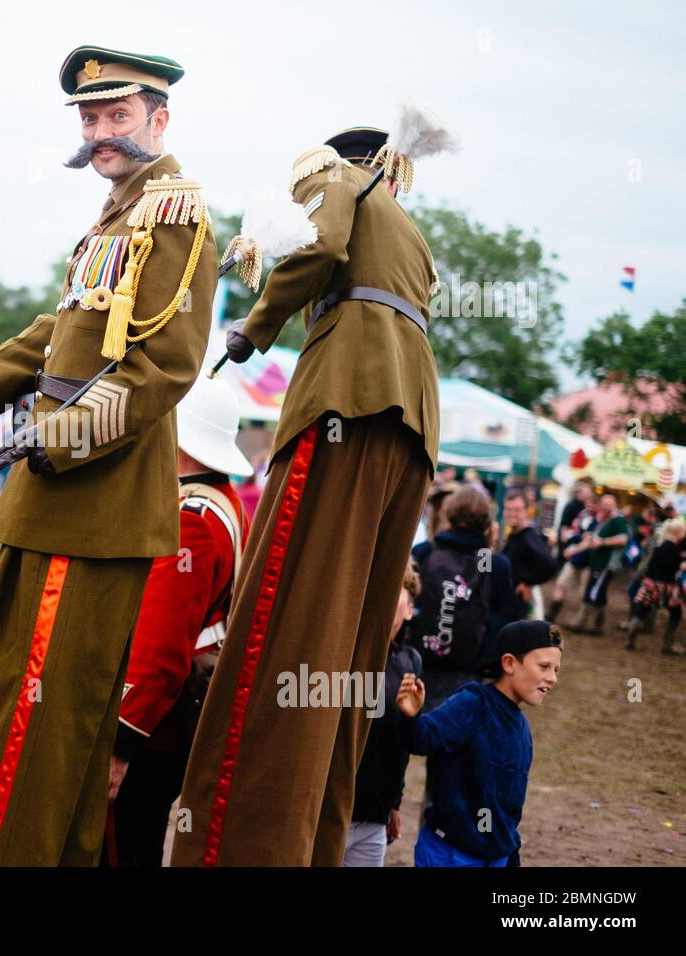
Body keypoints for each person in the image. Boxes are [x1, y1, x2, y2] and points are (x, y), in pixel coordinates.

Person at [0, 45, 216, 867]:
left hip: (90, 503)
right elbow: (63, 329)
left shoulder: (174, 215)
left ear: (161, 117)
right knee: (5, 699)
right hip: (57, 500)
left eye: (117, 115)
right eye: (89, 117)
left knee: (33, 722)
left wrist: (60, 436)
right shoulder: (118, 213)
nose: (99, 131)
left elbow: (165, 367)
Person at [176, 122, 442, 867]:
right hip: (411, 425)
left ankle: (249, 844)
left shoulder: (335, 180)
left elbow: (318, 248)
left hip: (346, 408)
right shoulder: (409, 228)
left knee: (287, 626)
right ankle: (318, 843)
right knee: (354, 650)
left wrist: (254, 327)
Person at [103, 373, 251, 867]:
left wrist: (121, 741)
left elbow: (161, 647)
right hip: (170, 718)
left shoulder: (191, 517)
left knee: (123, 847)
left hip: (154, 726)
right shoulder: (221, 503)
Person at [395, 619, 563, 867]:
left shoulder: (522, 729)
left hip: (496, 859)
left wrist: (509, 855)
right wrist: (412, 716)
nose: (552, 678)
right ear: (509, 663)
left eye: (556, 670)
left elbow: (508, 806)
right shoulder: (473, 703)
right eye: (544, 666)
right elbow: (422, 739)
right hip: (450, 856)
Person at [343, 562, 423, 867]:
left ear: (410, 609)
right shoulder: (346, 653)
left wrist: (394, 803)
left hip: (374, 817)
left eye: (398, 591)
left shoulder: (410, 662)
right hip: (333, 814)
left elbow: (399, 743)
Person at [409, 486, 514, 709]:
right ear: (487, 523)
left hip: (417, 663)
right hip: (466, 670)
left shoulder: (427, 551)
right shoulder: (490, 562)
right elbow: (503, 617)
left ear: (449, 515)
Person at [569, 493, 630, 634]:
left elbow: (623, 539)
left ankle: (582, 622)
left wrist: (602, 542)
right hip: (597, 563)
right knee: (598, 592)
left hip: (606, 565)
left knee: (594, 592)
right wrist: (574, 550)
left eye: (609, 504)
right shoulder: (602, 520)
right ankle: (597, 625)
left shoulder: (617, 520)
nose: (606, 507)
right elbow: (590, 540)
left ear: (614, 505)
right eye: (604, 504)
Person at [625, 517, 685, 654]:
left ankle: (630, 638)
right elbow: (670, 566)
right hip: (665, 586)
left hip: (650, 583)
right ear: (679, 533)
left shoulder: (660, 546)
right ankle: (667, 645)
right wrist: (681, 565)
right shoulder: (673, 549)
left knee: (641, 611)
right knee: (676, 613)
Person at [501, 489, 559, 621]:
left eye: (517, 510)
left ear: (526, 511)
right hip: (506, 602)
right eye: (508, 509)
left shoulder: (528, 536)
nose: (512, 514)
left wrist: (528, 583)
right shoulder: (515, 535)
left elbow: (549, 564)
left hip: (514, 607)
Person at [547, 480, 594, 618]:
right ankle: (552, 614)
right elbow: (566, 529)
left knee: (584, 592)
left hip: (587, 559)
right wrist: (567, 544)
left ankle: (583, 619)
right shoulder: (574, 509)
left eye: (589, 497)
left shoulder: (594, 517)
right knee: (561, 584)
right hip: (574, 557)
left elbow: (587, 538)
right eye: (586, 496)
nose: (587, 499)